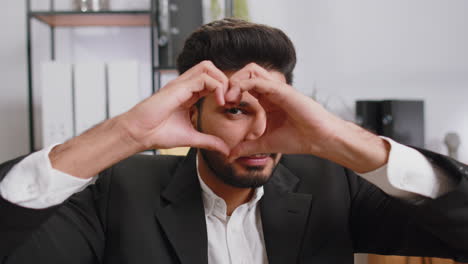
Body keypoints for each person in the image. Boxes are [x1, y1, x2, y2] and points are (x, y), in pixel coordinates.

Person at [0, 18, 467, 264]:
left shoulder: (332, 186)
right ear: (192, 111)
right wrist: (125, 133)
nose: (261, 130)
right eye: (237, 109)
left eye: (276, 107)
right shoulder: (117, 191)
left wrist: (339, 139)